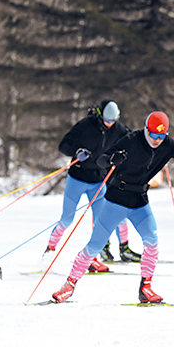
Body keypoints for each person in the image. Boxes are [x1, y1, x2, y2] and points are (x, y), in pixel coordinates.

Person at [51, 110, 174, 303]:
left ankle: (146, 287)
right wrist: (113, 159)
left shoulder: (167, 145)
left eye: (161, 136)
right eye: (153, 135)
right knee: (94, 246)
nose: (157, 140)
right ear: (146, 130)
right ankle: (69, 284)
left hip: (139, 201)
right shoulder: (131, 140)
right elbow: (101, 160)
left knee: (152, 241)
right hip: (116, 200)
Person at [46, 100, 136, 270]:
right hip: (77, 178)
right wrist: (77, 152)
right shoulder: (85, 125)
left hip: (98, 180)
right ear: (100, 116)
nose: (110, 125)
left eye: (113, 121)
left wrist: (153, 151)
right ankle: (50, 250)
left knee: (101, 220)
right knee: (67, 219)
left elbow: (134, 141)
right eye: (107, 121)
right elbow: (63, 145)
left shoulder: (118, 129)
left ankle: (93, 258)